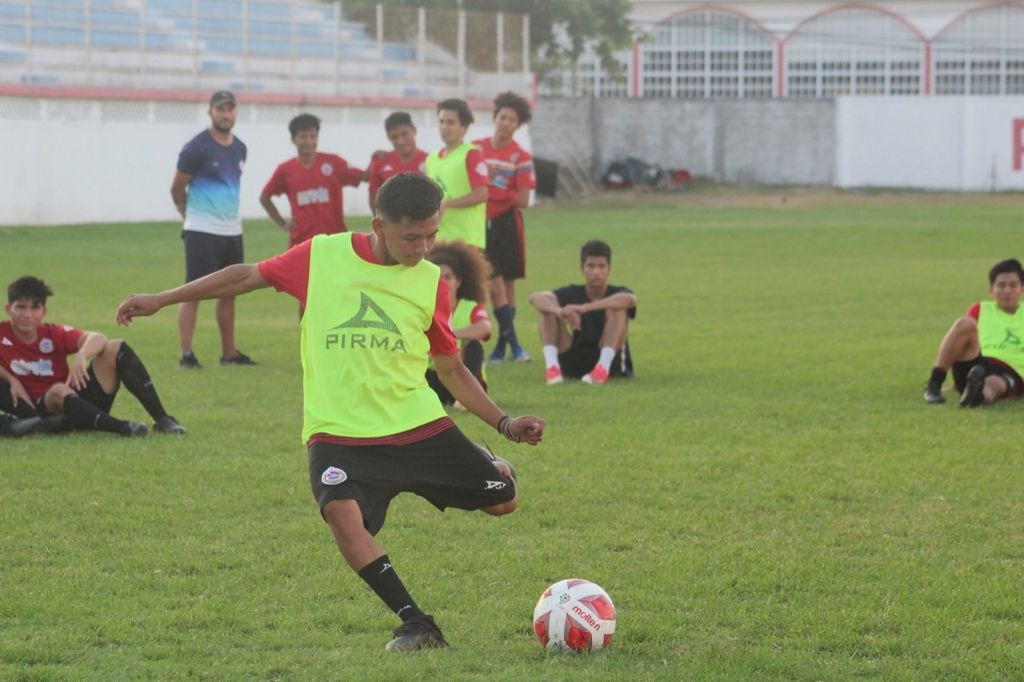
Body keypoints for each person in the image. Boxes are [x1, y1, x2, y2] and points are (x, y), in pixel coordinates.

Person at [115, 172, 544, 652]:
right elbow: (245, 275)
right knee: (341, 515)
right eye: (412, 237)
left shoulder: (430, 284)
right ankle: (417, 624)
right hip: (338, 430)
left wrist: (504, 424)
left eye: (431, 234)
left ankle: (493, 466)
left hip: (417, 424)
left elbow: (451, 370)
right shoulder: (321, 256)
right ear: (379, 224)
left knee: (503, 499)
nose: (423, 248)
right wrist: (163, 298)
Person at [0, 276, 185, 437]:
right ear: (8, 309)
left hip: (75, 401)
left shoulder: (52, 333)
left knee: (115, 347)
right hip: (43, 408)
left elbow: (98, 338)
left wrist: (82, 354)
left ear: (44, 312)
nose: (27, 315)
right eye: (20, 308)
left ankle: (162, 419)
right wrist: (11, 379)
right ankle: (121, 427)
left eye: (34, 308)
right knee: (58, 390)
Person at [171, 90, 255, 369]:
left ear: (235, 113)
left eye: (230, 109)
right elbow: (177, 187)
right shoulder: (196, 148)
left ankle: (229, 353)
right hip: (202, 231)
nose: (226, 114)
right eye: (220, 109)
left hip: (232, 230)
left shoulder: (241, 147)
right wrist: (187, 214)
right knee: (193, 292)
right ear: (210, 112)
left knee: (230, 292)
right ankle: (186, 354)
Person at [474, 91, 537, 365]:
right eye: (502, 117)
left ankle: (502, 347)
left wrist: (490, 193)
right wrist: (497, 193)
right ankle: (515, 345)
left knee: (507, 284)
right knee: (493, 282)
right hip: (479, 224)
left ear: (518, 125)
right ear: (494, 118)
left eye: (512, 120)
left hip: (507, 225)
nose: (506, 123)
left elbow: (522, 200)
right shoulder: (475, 149)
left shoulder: (520, 157)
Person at [528, 239, 637, 386]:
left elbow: (629, 299)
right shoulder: (573, 292)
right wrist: (561, 312)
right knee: (547, 310)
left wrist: (584, 308)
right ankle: (552, 368)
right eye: (591, 266)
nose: (596, 272)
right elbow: (536, 298)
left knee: (617, 310)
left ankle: (601, 369)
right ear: (582, 269)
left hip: (610, 362)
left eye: (601, 266)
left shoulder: (617, 292)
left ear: (609, 269)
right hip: (576, 359)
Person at [923, 258, 1024, 407]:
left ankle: (976, 396)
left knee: (994, 383)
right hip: (978, 362)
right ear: (991, 289)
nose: (1007, 291)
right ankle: (934, 384)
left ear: (1022, 288)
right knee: (965, 323)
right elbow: (962, 341)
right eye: (1001, 285)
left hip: (1011, 370)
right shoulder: (980, 309)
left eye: (1013, 285)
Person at [260, 113, 368, 248]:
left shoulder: (334, 163)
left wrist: (378, 159)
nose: (309, 141)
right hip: (301, 243)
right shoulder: (285, 170)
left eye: (313, 136)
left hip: (334, 241)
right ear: (293, 139)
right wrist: (283, 224)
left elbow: (365, 176)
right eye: (303, 137)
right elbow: (264, 197)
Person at [424, 240, 491, 406]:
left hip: (465, 379)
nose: (444, 283)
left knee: (474, 344)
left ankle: (464, 399)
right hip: (436, 378)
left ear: (458, 281)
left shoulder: (470, 307)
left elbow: (484, 328)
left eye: (448, 277)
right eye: (438, 278)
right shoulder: (424, 308)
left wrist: (449, 335)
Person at [424, 99, 489, 249]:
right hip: (438, 241)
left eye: (450, 122)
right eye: (441, 122)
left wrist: (447, 204)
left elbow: (482, 194)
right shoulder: (431, 159)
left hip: (467, 241)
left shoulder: (471, 154)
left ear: (464, 127)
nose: (444, 127)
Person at [367, 112, 428, 215]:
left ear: (414, 130)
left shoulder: (429, 161)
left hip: (422, 226)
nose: (400, 141)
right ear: (388, 137)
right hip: (392, 227)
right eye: (394, 137)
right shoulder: (380, 162)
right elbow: (374, 197)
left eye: (405, 134)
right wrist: (380, 222)